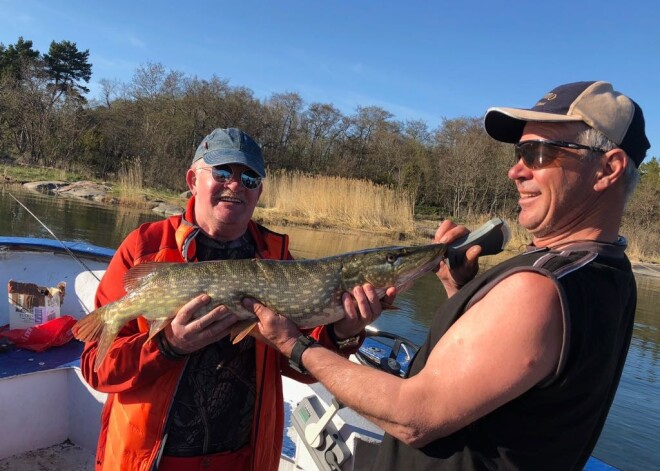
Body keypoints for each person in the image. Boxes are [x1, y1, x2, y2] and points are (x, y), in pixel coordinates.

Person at [247, 81, 650, 470]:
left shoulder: (539, 289)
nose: (516, 171)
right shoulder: (606, 271)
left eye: (539, 153)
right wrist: (459, 291)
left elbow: (412, 416)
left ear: (607, 169)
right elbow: (509, 382)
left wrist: (294, 344)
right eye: (519, 152)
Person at [79, 127, 378, 471]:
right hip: (153, 460)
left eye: (249, 179)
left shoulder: (277, 261)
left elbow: (297, 362)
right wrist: (168, 346)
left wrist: (343, 333)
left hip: (242, 459)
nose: (235, 185)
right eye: (222, 172)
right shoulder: (145, 248)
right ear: (193, 180)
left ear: (258, 192)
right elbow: (97, 368)